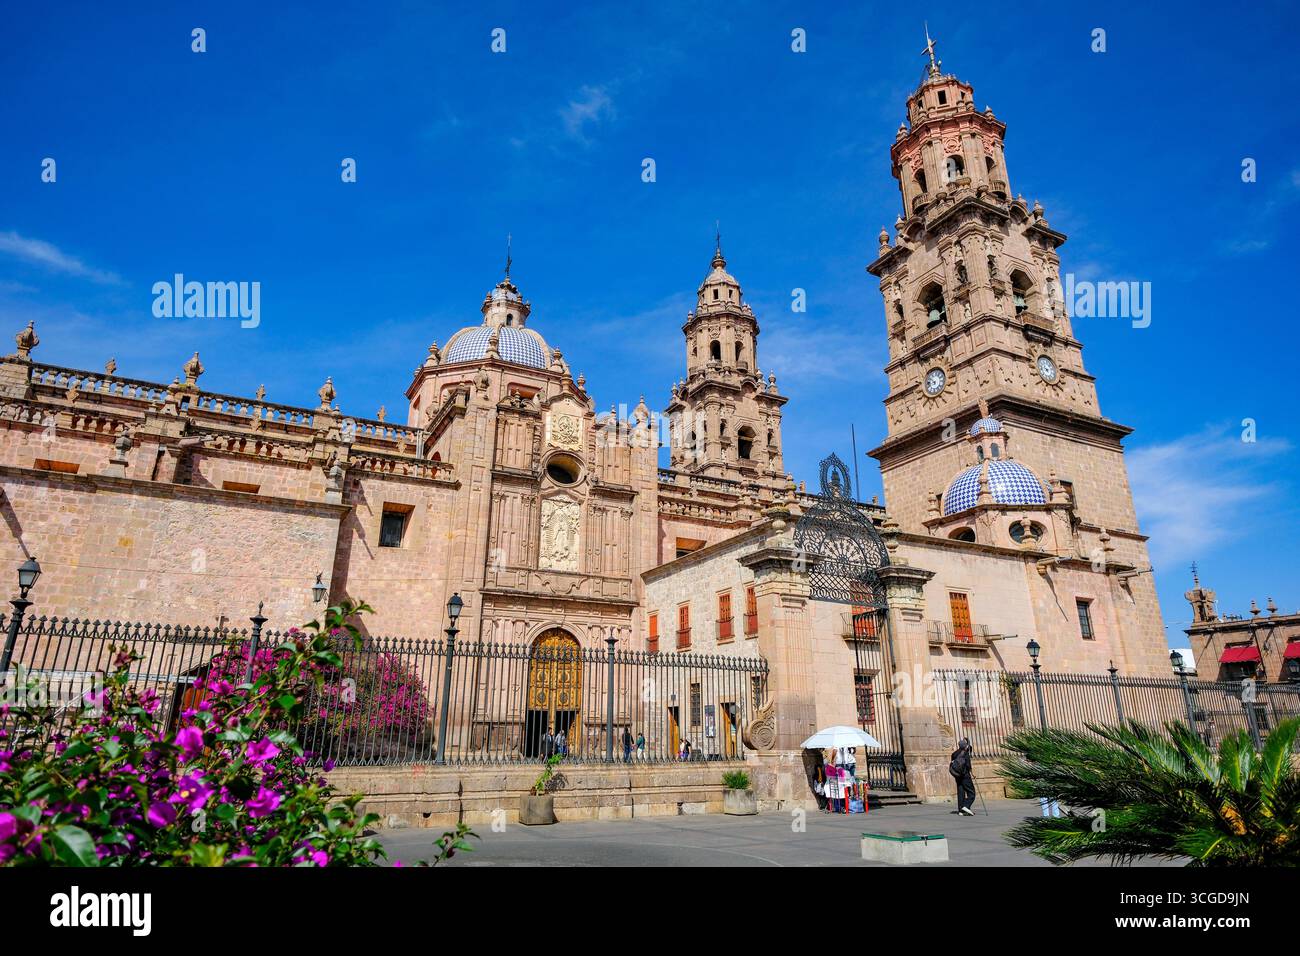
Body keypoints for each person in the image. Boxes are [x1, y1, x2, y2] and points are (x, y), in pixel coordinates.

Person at [949, 737, 976, 816]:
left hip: (957, 775)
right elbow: (968, 766)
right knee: (971, 792)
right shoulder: (965, 753)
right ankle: (966, 806)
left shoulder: (954, 754)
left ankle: (961, 810)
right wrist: (972, 774)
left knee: (961, 792)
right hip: (965, 775)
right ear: (965, 746)